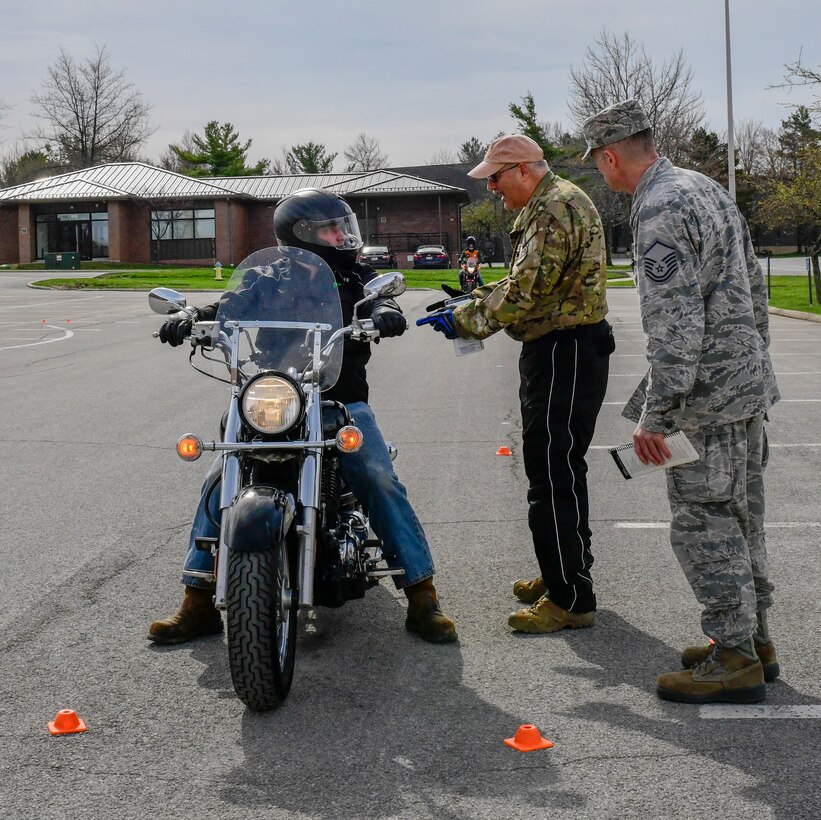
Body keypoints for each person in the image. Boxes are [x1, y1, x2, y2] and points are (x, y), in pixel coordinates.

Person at [149, 188, 457, 645]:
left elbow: (377, 301)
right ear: (302, 235)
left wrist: (385, 312)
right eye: (331, 229)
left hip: (339, 400)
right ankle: (197, 601)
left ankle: (422, 595)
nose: (342, 236)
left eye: (343, 226)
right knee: (219, 476)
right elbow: (228, 308)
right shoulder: (267, 277)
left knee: (377, 475)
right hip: (273, 397)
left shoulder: (354, 277)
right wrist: (192, 316)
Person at [582, 99, 780, 703]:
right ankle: (753, 640)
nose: (600, 174)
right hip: (741, 388)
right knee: (743, 518)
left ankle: (735, 657)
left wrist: (657, 417)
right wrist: (756, 369)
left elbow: (675, 329)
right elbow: (756, 287)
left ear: (612, 156)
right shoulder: (704, 187)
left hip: (704, 400)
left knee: (703, 524)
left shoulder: (658, 211)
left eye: (597, 164)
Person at [418, 134, 613, 634]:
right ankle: (565, 573)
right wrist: (466, 300)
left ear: (524, 170)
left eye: (497, 178)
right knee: (561, 467)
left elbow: (525, 291)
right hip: (563, 348)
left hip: (563, 349)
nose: (493, 190)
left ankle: (570, 596)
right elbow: (527, 280)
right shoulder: (553, 202)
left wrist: (466, 322)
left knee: (550, 470)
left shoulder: (553, 209)